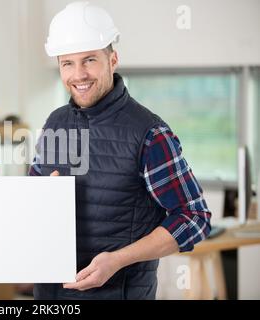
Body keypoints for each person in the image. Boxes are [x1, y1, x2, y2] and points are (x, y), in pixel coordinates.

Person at [30, 2, 212, 299]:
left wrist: (117, 260)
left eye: (89, 60)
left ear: (112, 60)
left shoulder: (149, 133)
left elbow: (194, 218)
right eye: (68, 63)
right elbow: (30, 208)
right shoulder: (54, 123)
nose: (79, 75)